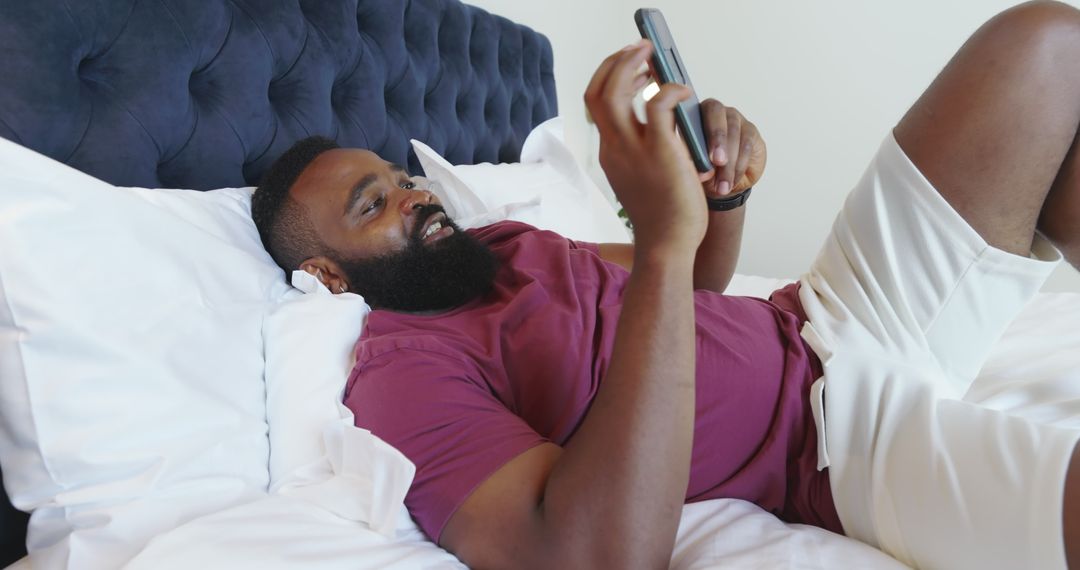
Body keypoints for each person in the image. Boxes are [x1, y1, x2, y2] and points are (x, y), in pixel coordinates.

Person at [250, 1, 1080, 568]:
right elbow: (590, 554)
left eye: (402, 178)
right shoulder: (401, 373)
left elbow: (699, 282)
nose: (415, 197)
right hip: (828, 447)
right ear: (324, 272)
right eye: (375, 205)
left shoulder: (502, 242)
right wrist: (665, 242)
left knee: (1047, 44)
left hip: (823, 317)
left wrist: (718, 197)